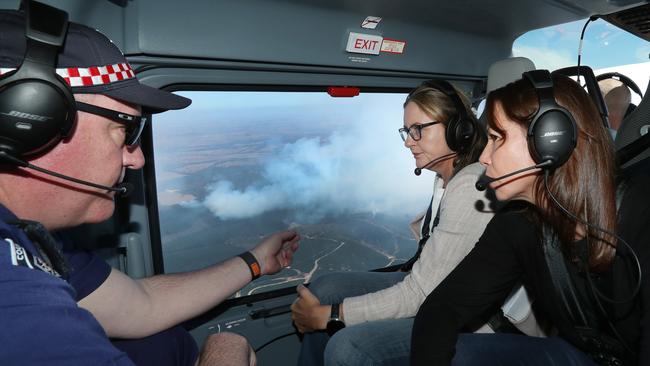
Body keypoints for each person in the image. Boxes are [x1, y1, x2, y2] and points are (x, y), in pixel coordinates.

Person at [0, 7, 299, 366]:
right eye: (126, 129)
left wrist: (255, 262)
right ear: (31, 118)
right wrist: (227, 348)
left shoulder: (29, 239)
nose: (137, 159)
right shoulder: (10, 291)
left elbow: (142, 304)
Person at [411, 71, 650, 365]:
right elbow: (443, 308)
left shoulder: (641, 212)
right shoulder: (518, 223)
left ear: (552, 140)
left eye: (497, 138)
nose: (484, 157)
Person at [290, 79, 528, 366]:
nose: (407, 141)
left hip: (475, 320)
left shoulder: (470, 185)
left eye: (418, 130)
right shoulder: (446, 177)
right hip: (432, 285)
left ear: (458, 129)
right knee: (324, 288)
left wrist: (330, 316)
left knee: (349, 348)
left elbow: (422, 293)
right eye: (406, 130)